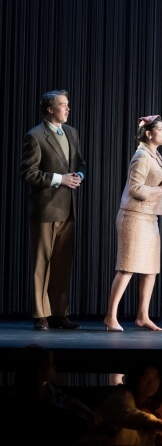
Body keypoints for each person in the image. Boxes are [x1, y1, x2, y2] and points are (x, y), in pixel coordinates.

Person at [21, 90, 87, 331]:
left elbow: (79, 162)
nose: (68, 109)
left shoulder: (71, 132)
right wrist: (60, 179)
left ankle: (60, 313)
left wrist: (79, 175)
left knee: (62, 263)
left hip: (68, 208)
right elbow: (28, 173)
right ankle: (41, 315)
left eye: (68, 105)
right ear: (50, 109)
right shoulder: (35, 136)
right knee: (43, 263)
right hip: (45, 209)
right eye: (63, 105)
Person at [104, 116, 162, 332]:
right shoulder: (142, 156)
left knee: (150, 269)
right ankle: (110, 316)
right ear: (148, 133)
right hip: (134, 216)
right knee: (128, 267)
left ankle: (143, 316)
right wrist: (161, 188)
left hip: (149, 217)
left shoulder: (155, 155)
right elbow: (135, 189)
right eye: (161, 129)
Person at [92, 362, 162, 446]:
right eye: (145, 377)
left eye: (155, 378)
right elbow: (128, 414)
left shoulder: (158, 406)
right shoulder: (121, 396)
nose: (151, 383)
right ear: (135, 379)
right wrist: (158, 423)